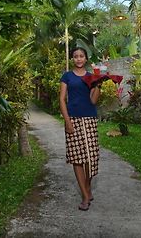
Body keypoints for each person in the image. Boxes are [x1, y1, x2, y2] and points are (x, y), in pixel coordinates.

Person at [59, 46, 100, 211]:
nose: (78, 59)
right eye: (75, 56)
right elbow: (62, 99)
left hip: (89, 119)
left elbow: (94, 101)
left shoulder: (91, 77)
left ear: (86, 59)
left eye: (81, 56)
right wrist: (67, 121)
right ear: (72, 59)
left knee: (91, 158)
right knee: (77, 158)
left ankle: (88, 188)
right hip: (73, 119)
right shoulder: (67, 76)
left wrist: (98, 84)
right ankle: (84, 195)